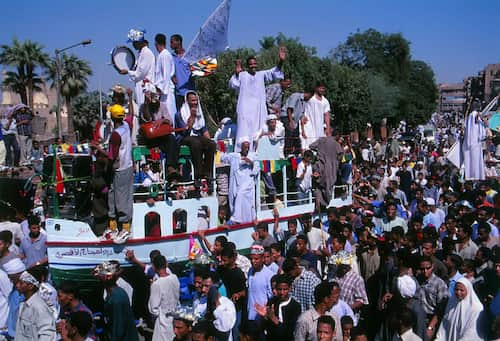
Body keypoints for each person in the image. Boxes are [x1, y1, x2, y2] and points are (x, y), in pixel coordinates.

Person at [229, 48, 285, 151]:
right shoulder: (242, 75)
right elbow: (233, 84)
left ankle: (258, 153)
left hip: (259, 110)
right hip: (245, 110)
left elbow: (274, 72)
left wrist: (281, 61)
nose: (253, 66)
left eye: (255, 64)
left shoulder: (261, 75)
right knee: (244, 131)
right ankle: (242, 154)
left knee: (259, 130)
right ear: (247, 65)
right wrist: (237, 72)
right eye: (251, 64)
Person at [93, 104, 133, 241]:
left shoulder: (116, 135)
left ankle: (125, 229)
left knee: (121, 199)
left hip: (119, 168)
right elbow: (131, 116)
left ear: (111, 117)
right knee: (112, 195)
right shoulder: (126, 126)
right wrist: (129, 97)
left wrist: (97, 147)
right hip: (127, 165)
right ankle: (113, 226)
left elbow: (112, 157)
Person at [93, 261, 139, 341]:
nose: (98, 278)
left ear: (108, 277)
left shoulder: (116, 299)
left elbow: (118, 330)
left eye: (101, 275)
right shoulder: (114, 293)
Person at [175, 91, 216, 179]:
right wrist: (192, 117)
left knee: (211, 144)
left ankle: (207, 172)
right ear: (187, 101)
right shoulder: (180, 114)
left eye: (196, 100)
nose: (195, 103)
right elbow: (185, 131)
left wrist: (210, 141)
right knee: (195, 142)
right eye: (193, 101)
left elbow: (204, 130)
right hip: (184, 138)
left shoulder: (199, 113)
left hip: (197, 137)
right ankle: (198, 173)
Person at [221, 138, 260, 224]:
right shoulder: (234, 156)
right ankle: (236, 218)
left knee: (240, 195)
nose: (246, 149)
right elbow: (222, 157)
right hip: (235, 182)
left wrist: (250, 162)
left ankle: (236, 219)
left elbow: (257, 169)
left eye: (248, 147)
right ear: (241, 147)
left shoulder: (253, 156)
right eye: (245, 147)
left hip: (247, 183)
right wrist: (219, 146)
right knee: (233, 199)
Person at [120, 29, 155, 114]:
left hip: (145, 88)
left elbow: (140, 74)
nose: (133, 45)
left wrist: (128, 72)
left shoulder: (146, 53)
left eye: (134, 43)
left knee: (145, 112)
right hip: (141, 87)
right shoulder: (141, 53)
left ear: (138, 42)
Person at [15, 269, 56, 340]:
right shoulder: (24, 304)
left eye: (21, 283)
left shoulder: (39, 307)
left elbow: (47, 334)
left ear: (30, 286)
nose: (17, 285)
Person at [243, 244, 274, 340]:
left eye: (256, 259)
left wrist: (265, 314)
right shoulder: (250, 271)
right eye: (251, 259)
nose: (253, 261)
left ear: (262, 258)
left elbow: (271, 297)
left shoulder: (269, 275)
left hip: (262, 318)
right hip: (251, 315)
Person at [310, 129, 344, 209]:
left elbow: (311, 146)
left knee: (318, 186)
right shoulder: (336, 144)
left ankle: (318, 202)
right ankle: (324, 205)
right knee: (328, 187)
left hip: (319, 167)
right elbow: (341, 155)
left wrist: (319, 151)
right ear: (337, 136)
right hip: (330, 169)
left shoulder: (321, 140)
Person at [149, 255, 180, 341]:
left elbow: (153, 309)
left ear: (154, 267)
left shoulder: (157, 284)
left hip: (163, 321)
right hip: (175, 315)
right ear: (166, 264)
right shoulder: (174, 277)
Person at [282, 89, 313, 155]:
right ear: (308, 94)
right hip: (287, 117)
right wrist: (290, 121)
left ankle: (297, 153)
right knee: (289, 134)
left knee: (296, 136)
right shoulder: (296, 96)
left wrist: (303, 128)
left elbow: (301, 114)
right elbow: (289, 109)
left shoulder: (305, 102)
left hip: (295, 120)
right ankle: (287, 153)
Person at [301, 82, 332, 149]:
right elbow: (301, 106)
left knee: (320, 144)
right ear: (316, 88)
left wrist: (328, 128)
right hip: (308, 124)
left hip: (320, 127)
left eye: (323, 88)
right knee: (307, 144)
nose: (322, 90)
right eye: (320, 88)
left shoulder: (325, 101)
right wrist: (302, 116)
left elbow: (326, 115)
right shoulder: (310, 98)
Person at [154, 33, 176, 123]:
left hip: (166, 92)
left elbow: (166, 75)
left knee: (169, 115)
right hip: (163, 92)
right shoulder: (161, 55)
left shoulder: (165, 55)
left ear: (156, 44)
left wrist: (161, 91)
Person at [170, 34, 195, 110]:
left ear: (178, 42)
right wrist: (172, 77)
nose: (170, 44)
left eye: (172, 42)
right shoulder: (171, 57)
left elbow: (195, 70)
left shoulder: (189, 56)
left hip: (189, 92)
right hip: (178, 93)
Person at [462, 109, 486, 180]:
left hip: (477, 144)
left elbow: (483, 133)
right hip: (469, 145)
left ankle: (477, 177)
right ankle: (470, 177)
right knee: (469, 162)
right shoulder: (470, 122)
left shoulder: (479, 125)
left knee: (477, 162)